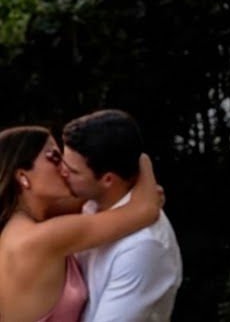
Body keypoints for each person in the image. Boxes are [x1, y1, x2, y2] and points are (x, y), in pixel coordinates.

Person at [0, 126, 161, 322]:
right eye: (53, 156)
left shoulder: (19, 226)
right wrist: (141, 160)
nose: (64, 166)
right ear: (23, 177)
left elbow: (96, 191)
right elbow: (144, 210)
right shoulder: (42, 238)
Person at [61, 110, 182, 322]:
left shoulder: (142, 246)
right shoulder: (88, 204)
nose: (62, 173)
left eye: (73, 171)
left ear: (108, 179)